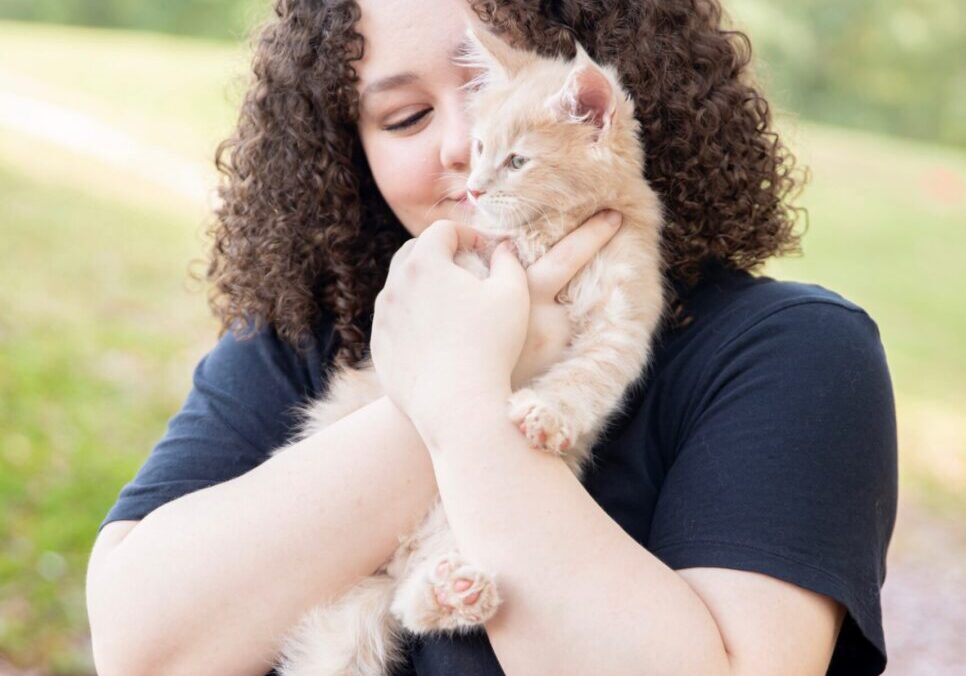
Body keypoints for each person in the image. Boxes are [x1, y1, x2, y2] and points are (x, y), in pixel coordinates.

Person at [85, 0, 898, 674]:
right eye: (404, 117)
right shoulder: (312, 330)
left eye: (494, 89)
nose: (464, 151)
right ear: (349, 152)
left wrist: (471, 408)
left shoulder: (792, 356)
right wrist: (439, 389)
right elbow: (141, 648)